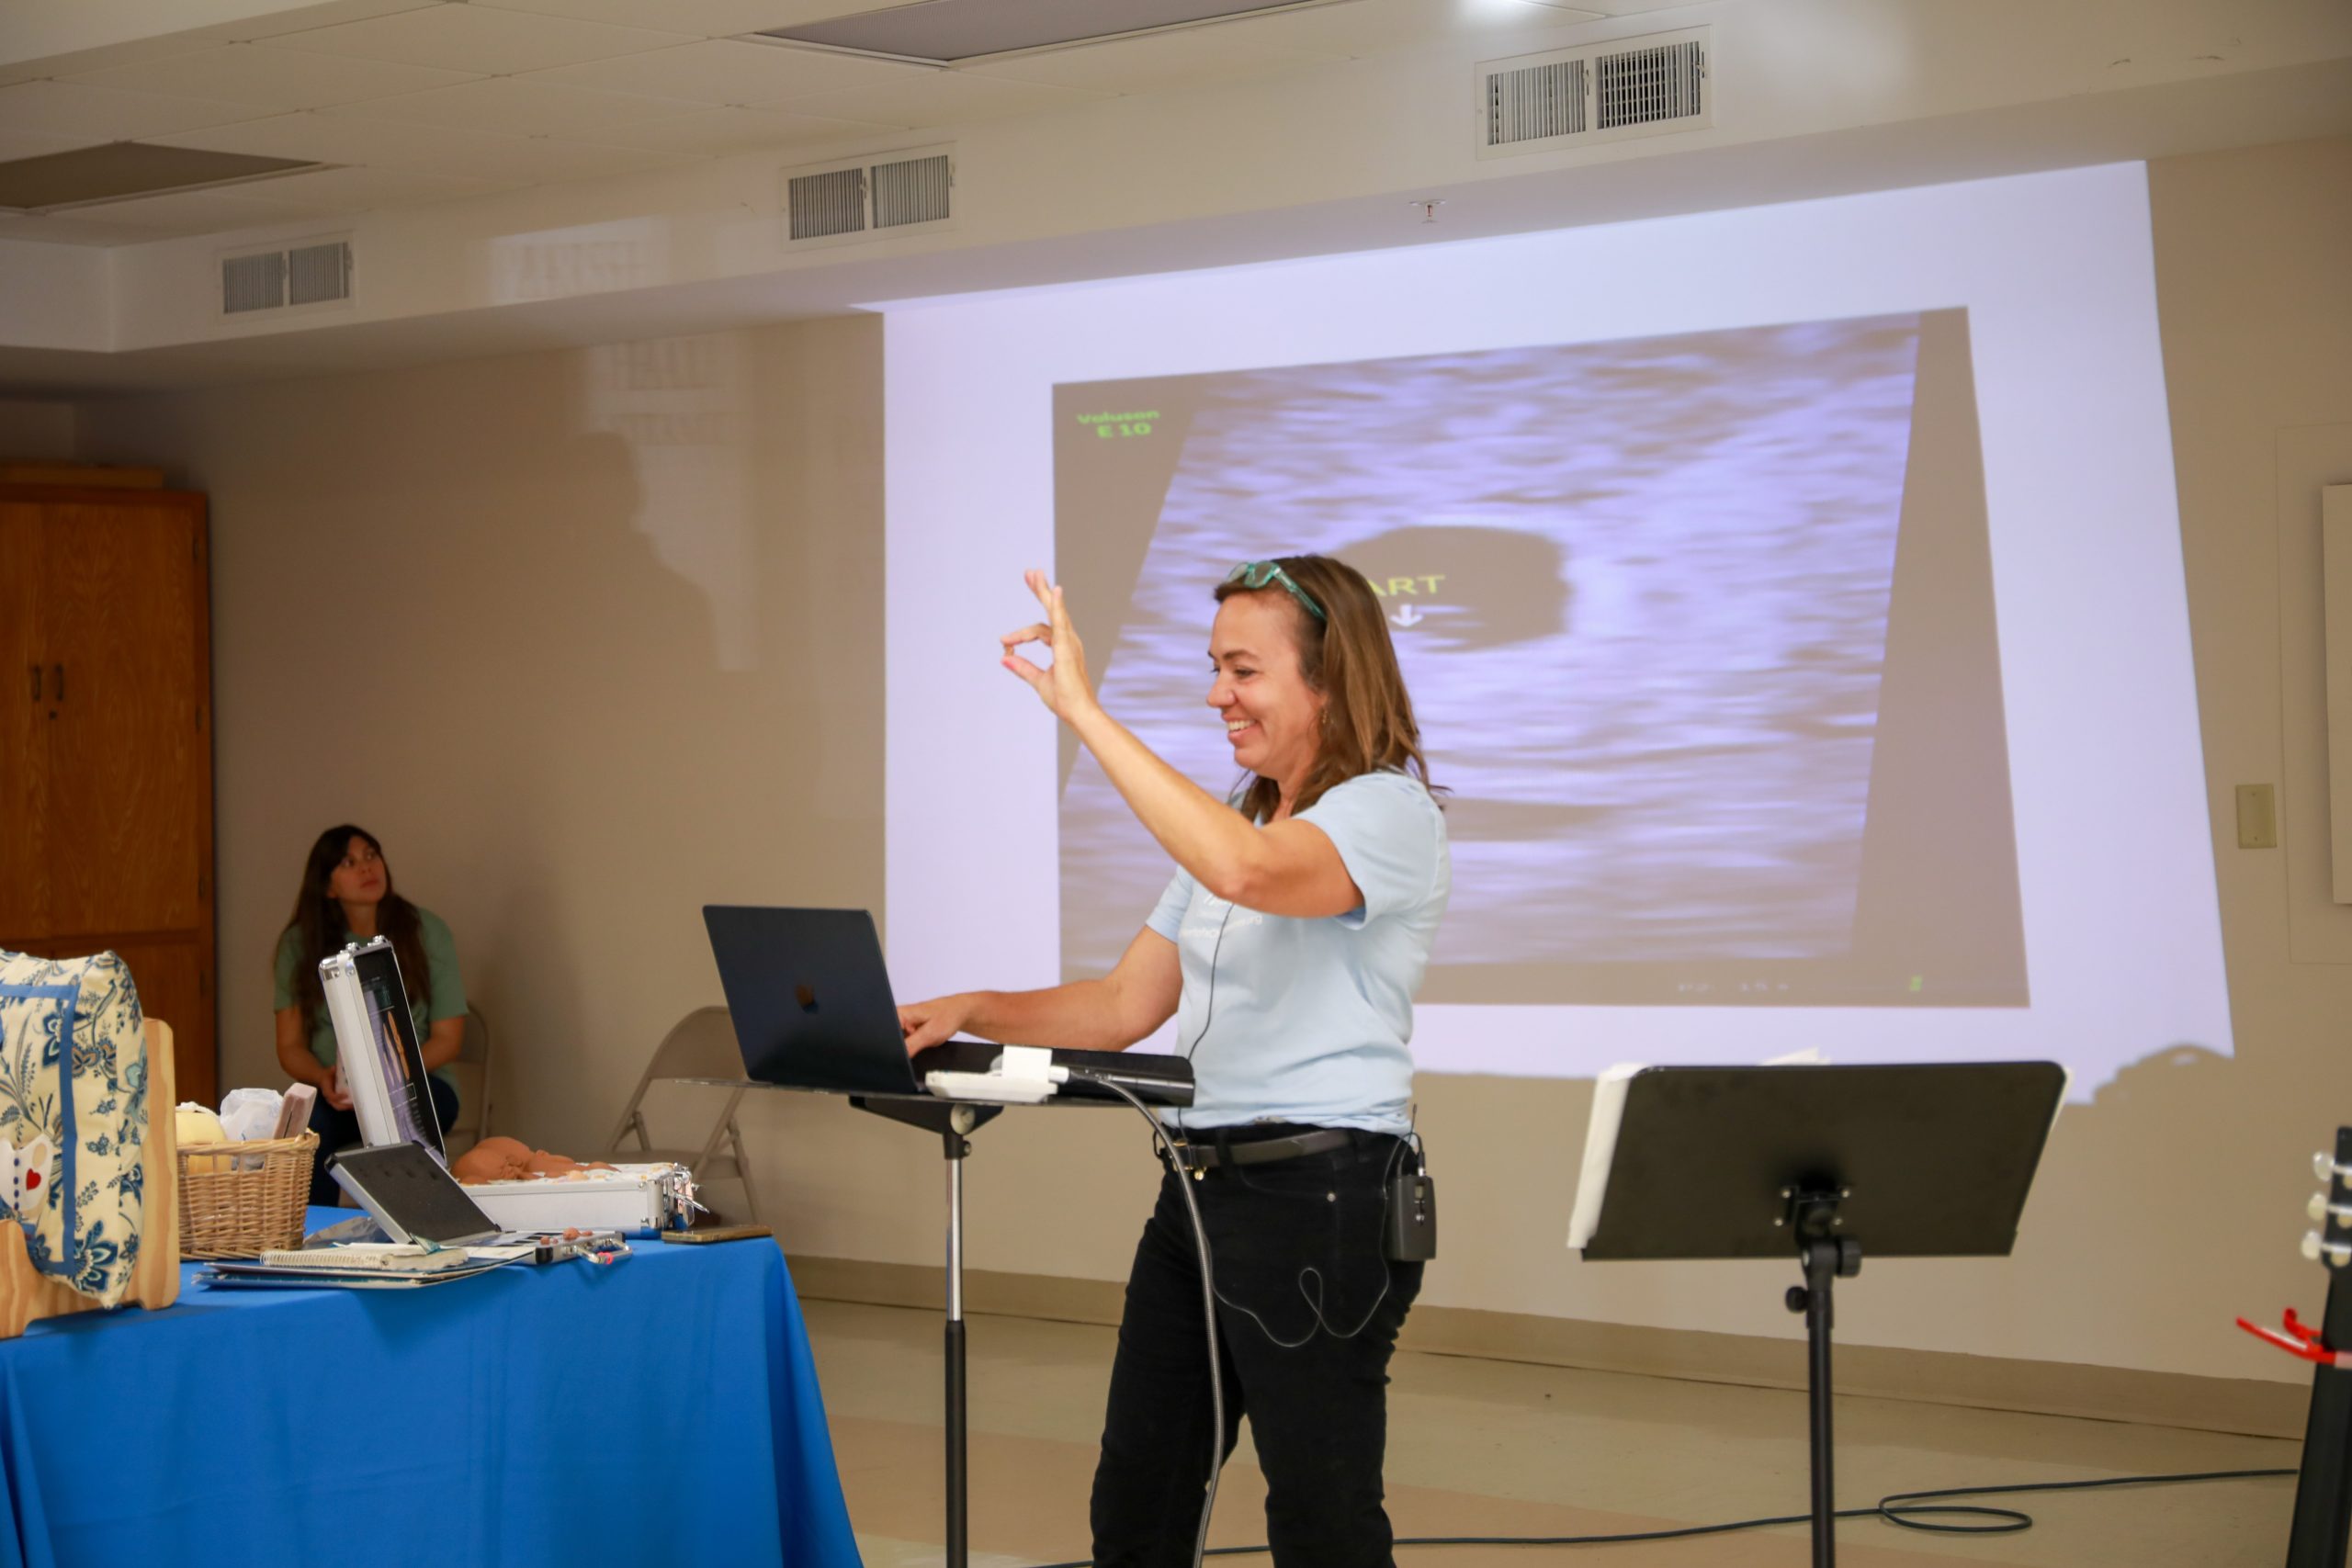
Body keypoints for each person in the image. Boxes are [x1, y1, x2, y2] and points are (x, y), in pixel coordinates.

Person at [899, 558, 1450, 1566]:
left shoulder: (1386, 813)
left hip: (1322, 1199)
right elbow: (1120, 1006)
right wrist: (973, 1008)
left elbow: (1247, 872)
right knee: (1138, 1502)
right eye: (1213, 668)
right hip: (1195, 1197)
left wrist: (1083, 711)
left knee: (1322, 1521)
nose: (1216, 695)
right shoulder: (1239, 827)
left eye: (1243, 670)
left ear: (1329, 682)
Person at [273, 825, 468, 1204]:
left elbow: (449, 1039)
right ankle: (312, 1229)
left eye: (371, 856)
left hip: (417, 1083)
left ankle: (416, 1226)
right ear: (327, 886)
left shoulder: (427, 931)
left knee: (404, 1124)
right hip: (338, 1093)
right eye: (348, 863)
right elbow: (289, 1046)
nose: (366, 868)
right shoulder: (299, 944)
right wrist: (322, 1077)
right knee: (309, 1133)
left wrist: (388, 1078)